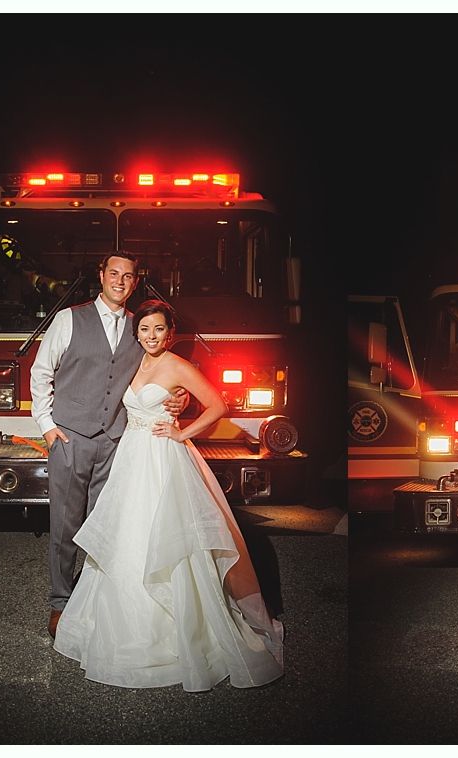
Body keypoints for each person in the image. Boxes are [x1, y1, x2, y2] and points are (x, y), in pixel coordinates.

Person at [53, 300, 284, 690]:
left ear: (170, 333)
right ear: (137, 333)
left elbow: (219, 405)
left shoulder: (177, 364)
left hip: (162, 458)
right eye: (144, 329)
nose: (151, 336)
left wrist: (180, 430)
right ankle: (121, 621)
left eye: (158, 329)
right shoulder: (134, 360)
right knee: (128, 535)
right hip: (131, 457)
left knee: (170, 538)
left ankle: (177, 628)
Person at [30, 253, 187, 639]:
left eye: (128, 275)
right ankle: (61, 601)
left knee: (110, 525)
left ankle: (98, 597)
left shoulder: (140, 328)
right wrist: (48, 427)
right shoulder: (69, 319)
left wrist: (179, 396)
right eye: (113, 273)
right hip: (70, 437)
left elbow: (160, 370)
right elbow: (40, 372)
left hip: (118, 441)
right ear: (100, 276)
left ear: (136, 282)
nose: (120, 280)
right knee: (64, 525)